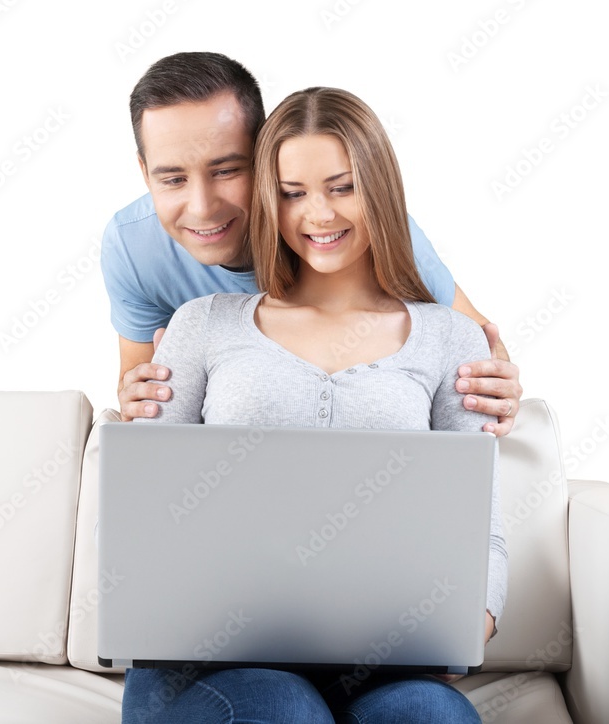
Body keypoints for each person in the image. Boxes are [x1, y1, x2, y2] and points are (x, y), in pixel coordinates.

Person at [121, 86, 506, 724]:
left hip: (386, 662)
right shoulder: (202, 326)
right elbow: (147, 515)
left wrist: (475, 618)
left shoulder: (450, 339)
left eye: (342, 186)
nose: (318, 214)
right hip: (213, 665)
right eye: (293, 193)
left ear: (379, 188)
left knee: (432, 717)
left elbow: (478, 524)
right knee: (283, 708)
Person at [102, 51, 523, 434]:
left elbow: (476, 350)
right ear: (145, 172)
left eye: (227, 170)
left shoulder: (367, 232)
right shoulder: (134, 247)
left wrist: (498, 387)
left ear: (264, 157)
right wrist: (135, 398)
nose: (202, 207)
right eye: (173, 178)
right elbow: (143, 409)